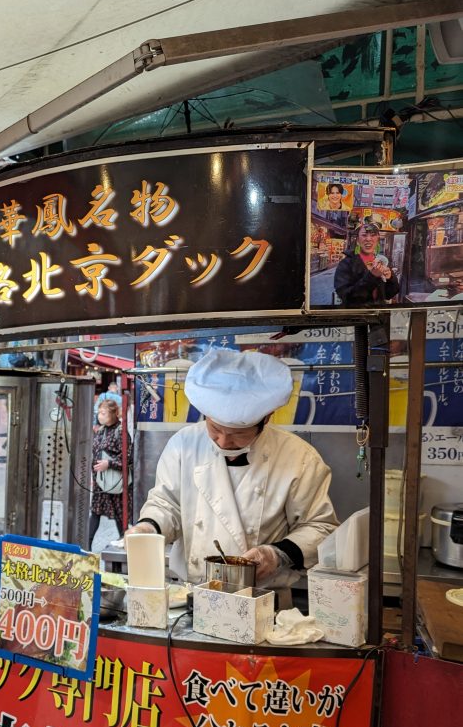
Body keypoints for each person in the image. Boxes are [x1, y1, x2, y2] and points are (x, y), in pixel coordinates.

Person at [128, 348, 337, 590]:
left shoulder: (299, 458)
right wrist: (148, 526)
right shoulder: (183, 445)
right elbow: (167, 505)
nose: (224, 442)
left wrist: (278, 554)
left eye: (238, 434)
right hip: (194, 594)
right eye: (215, 430)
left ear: (266, 418)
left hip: (265, 599)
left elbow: (321, 527)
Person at [89, 397, 130, 548]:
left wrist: (110, 464)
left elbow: (128, 459)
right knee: (95, 512)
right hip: (101, 481)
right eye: (99, 413)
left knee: (120, 514)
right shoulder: (100, 430)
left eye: (103, 413)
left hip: (115, 481)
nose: (100, 416)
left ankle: (124, 539)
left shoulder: (121, 432)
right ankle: (86, 545)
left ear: (113, 414)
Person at [333, 221, 400, 307]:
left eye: (373, 235)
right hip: (357, 316)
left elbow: (389, 294)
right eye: (364, 235)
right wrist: (372, 276)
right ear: (357, 241)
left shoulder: (382, 261)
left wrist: (390, 278)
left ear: (377, 240)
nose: (368, 239)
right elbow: (346, 296)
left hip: (379, 315)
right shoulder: (346, 264)